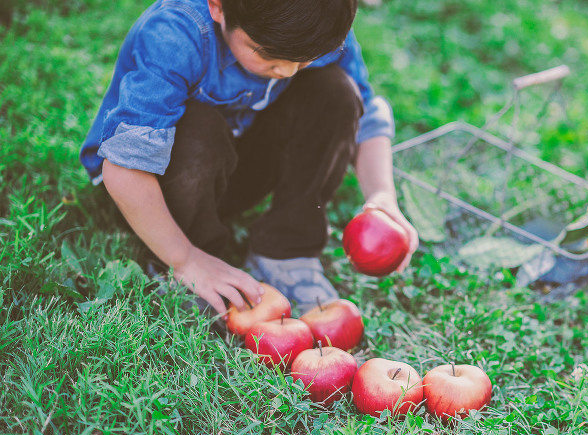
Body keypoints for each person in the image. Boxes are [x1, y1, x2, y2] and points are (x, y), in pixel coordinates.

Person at [80, 0, 418, 316]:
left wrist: (381, 195)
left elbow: (367, 116)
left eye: (304, 60)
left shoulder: (318, 21)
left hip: (232, 166)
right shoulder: (176, 33)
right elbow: (125, 166)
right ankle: (189, 258)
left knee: (338, 92)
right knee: (199, 129)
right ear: (218, 6)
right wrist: (185, 260)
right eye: (267, 54)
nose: (287, 71)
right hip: (150, 189)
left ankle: (286, 251)